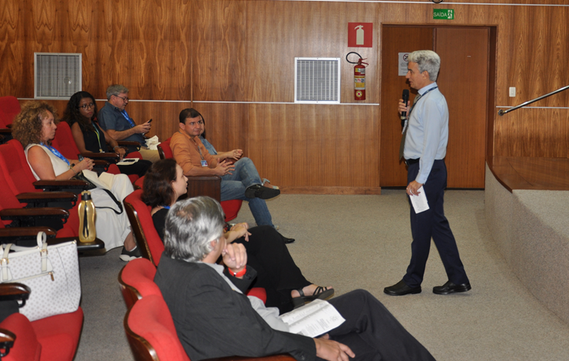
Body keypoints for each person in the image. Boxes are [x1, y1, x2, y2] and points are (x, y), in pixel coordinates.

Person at [155, 196, 437, 361]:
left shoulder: (173, 261)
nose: (225, 237)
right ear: (210, 243)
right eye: (222, 232)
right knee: (366, 340)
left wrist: (238, 274)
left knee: (363, 307)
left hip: (268, 328)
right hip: (274, 343)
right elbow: (254, 342)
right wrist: (315, 345)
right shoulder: (199, 288)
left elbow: (223, 309)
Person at [142, 159, 331, 312]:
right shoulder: (164, 218)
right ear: (170, 184)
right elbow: (202, 248)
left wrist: (231, 230)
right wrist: (232, 234)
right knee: (257, 262)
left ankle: (299, 288)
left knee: (266, 234)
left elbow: (202, 233)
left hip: (214, 250)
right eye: (182, 176)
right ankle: (287, 303)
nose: (187, 179)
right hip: (205, 264)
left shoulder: (172, 209)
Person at [384, 50, 471, 297]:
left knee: (422, 227)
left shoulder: (432, 102)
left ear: (424, 73)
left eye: (411, 71)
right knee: (436, 225)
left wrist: (419, 180)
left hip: (427, 171)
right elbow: (417, 134)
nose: (407, 77)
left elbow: (430, 145)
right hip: (424, 169)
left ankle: (413, 281)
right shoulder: (425, 98)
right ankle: (458, 278)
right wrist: (406, 117)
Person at [12, 101, 139, 259]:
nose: (55, 126)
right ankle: (130, 240)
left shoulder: (44, 146)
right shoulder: (35, 150)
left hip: (77, 183)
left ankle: (129, 236)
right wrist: (77, 168)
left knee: (122, 180)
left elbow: (62, 162)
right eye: (49, 123)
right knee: (118, 190)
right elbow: (51, 181)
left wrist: (79, 162)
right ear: (35, 126)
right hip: (67, 194)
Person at [170, 108, 287, 238]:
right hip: (202, 185)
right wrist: (214, 171)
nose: (197, 126)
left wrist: (218, 166)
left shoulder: (194, 138)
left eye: (199, 122)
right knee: (248, 189)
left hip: (211, 176)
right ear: (182, 125)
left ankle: (256, 186)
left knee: (245, 162)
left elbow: (208, 158)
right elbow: (186, 170)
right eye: (192, 123)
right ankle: (269, 231)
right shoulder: (180, 141)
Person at [62, 91, 152, 179]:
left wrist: (116, 148)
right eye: (84, 106)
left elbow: (110, 140)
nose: (89, 108)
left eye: (91, 104)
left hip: (108, 159)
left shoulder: (93, 123)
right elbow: (83, 152)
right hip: (98, 164)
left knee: (147, 164)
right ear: (76, 109)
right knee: (145, 167)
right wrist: (104, 156)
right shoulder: (76, 125)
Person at [97, 84, 159, 162]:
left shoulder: (121, 111)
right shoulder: (107, 112)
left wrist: (141, 130)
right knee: (165, 155)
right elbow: (112, 135)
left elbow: (128, 130)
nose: (126, 102)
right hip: (131, 149)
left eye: (127, 99)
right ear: (113, 98)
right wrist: (135, 130)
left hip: (141, 145)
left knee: (168, 149)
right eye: (124, 98)